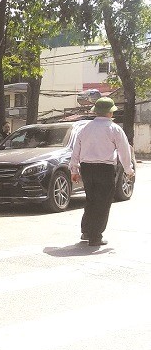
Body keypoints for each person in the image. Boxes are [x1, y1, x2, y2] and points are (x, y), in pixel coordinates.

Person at [69, 97, 134, 246]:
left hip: (86, 168)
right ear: (110, 113)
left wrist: (74, 170)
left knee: (91, 200)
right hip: (105, 169)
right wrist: (128, 170)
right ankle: (95, 236)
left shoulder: (85, 129)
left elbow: (75, 151)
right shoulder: (114, 129)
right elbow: (124, 151)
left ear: (96, 112)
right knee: (103, 202)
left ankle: (86, 231)